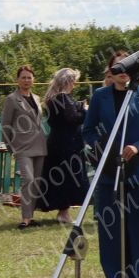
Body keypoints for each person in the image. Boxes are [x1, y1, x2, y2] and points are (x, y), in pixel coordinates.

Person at [83, 47, 139, 278]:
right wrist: (102, 149)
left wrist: (138, 147)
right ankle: (116, 275)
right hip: (110, 172)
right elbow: (88, 130)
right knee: (111, 225)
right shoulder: (100, 96)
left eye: (127, 66)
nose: (123, 72)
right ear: (111, 71)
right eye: (118, 67)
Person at [0, 64, 49, 229]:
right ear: (17, 80)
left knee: (36, 182)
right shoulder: (11, 99)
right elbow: (6, 125)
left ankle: (31, 216)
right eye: (23, 77)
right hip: (22, 147)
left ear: (33, 80)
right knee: (27, 180)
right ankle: (25, 218)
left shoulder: (36, 98)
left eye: (29, 77)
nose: (26, 80)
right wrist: (10, 147)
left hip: (40, 145)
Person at [37, 69, 88, 222]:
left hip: (58, 142)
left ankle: (63, 211)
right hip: (66, 144)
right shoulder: (63, 98)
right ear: (69, 81)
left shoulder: (55, 98)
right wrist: (85, 111)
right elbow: (72, 118)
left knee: (62, 177)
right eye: (74, 81)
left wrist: (78, 106)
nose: (75, 84)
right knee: (67, 178)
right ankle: (63, 213)